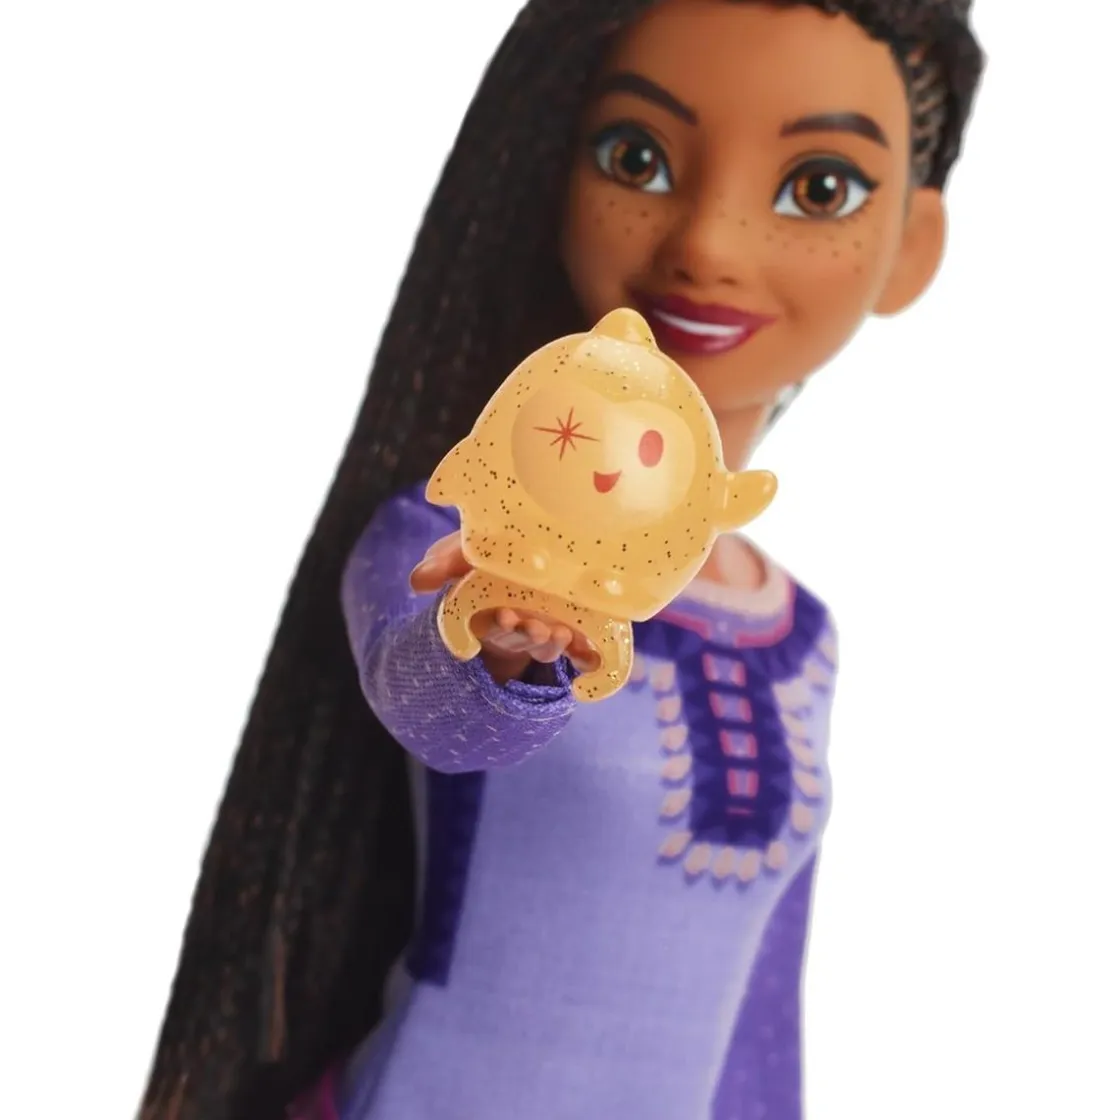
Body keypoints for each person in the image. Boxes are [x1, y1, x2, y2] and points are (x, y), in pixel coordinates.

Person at [140, 1, 984, 1117]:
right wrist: (504, 650)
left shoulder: (804, 638)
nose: (707, 244)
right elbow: (432, 710)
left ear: (911, 246)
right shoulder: (450, 535)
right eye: (636, 159)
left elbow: (759, 1017)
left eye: (817, 187)